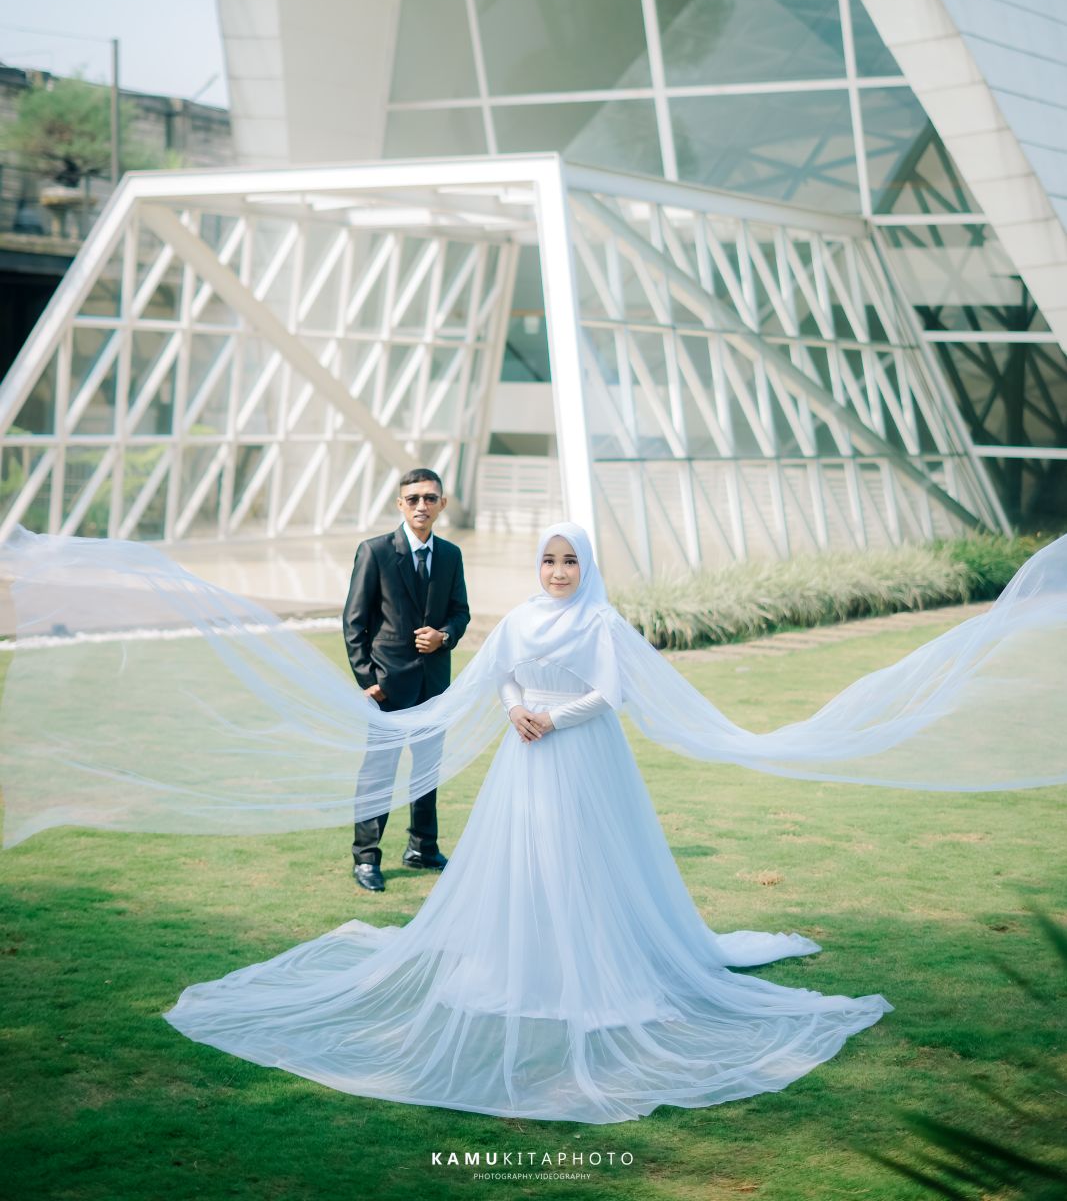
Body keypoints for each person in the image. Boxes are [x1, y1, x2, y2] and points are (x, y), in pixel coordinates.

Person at [1, 520, 1064, 1123]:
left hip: (579, 753)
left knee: (586, 863)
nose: (557, 572)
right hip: (523, 751)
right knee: (519, 867)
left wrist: (552, 714)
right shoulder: (518, 617)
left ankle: (601, 968)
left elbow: (610, 692)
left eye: (567, 560)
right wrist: (512, 704)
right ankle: (515, 961)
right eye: (548, 561)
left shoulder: (599, 619)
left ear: (586, 567)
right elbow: (500, 670)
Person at [342, 467, 470, 891]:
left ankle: (422, 848)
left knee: (427, 771)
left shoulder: (450, 555)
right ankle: (365, 857)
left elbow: (460, 612)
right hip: (388, 687)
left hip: (434, 686)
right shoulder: (375, 552)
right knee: (378, 773)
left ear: (442, 504)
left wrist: (444, 636)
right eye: (413, 498)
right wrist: (368, 679)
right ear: (400, 504)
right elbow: (354, 623)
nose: (421, 505)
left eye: (430, 498)